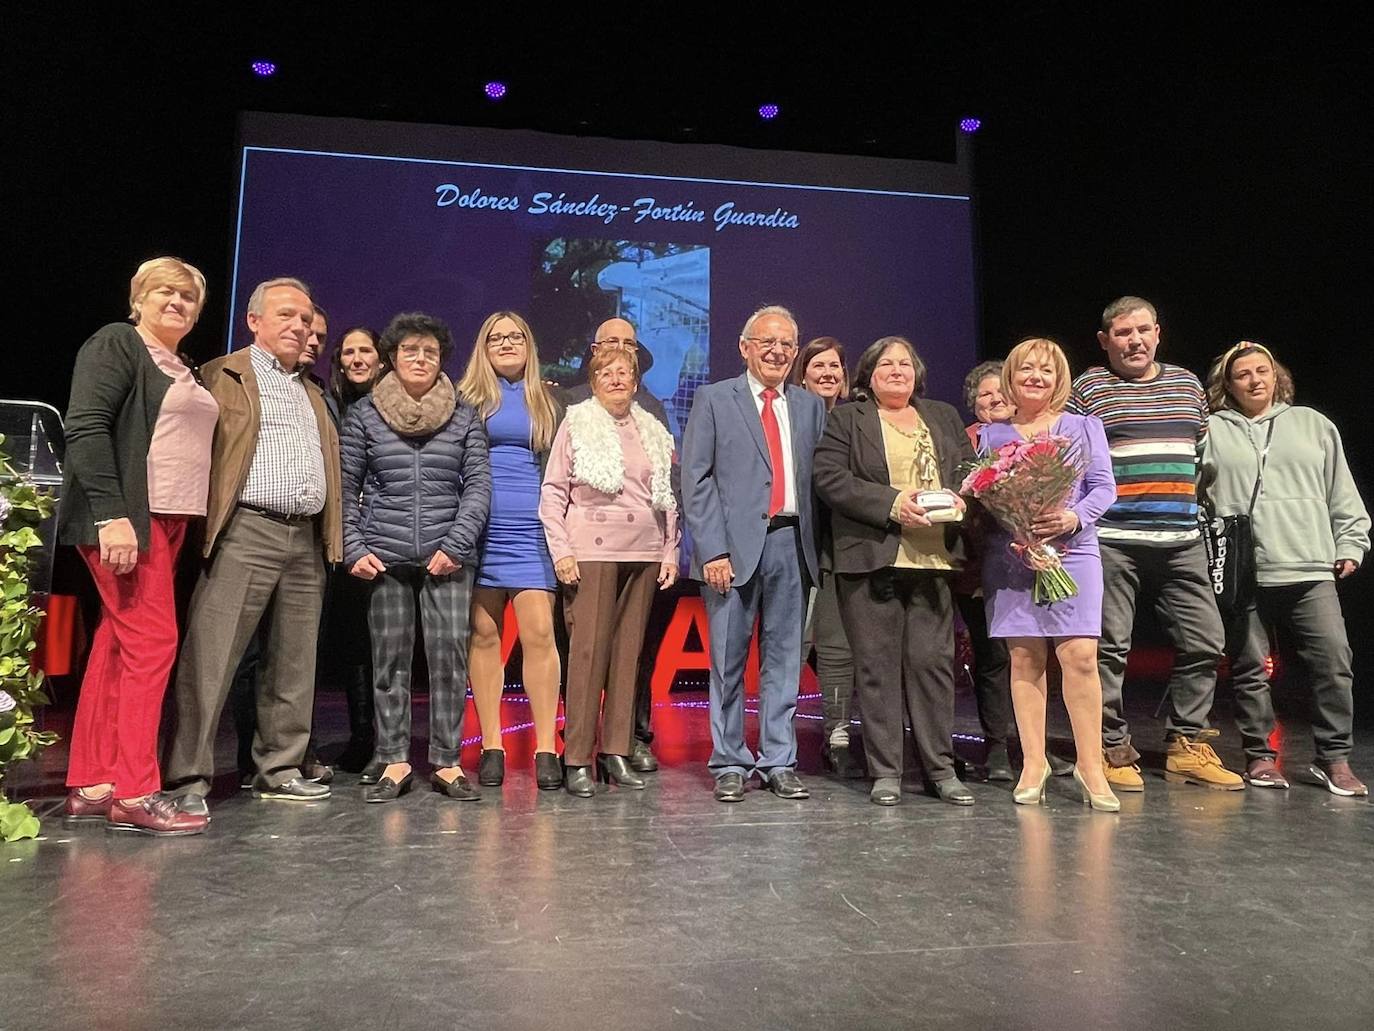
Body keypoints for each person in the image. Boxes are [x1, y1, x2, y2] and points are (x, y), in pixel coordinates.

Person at [164, 277, 342, 817]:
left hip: (305, 537)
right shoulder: (221, 375)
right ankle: (187, 776)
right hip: (246, 529)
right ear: (254, 321)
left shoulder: (312, 389)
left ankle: (280, 769)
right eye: (286, 315)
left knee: (293, 661)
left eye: (306, 319)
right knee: (211, 658)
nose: (299, 326)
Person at [58, 257, 217, 836]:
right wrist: (112, 516)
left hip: (168, 521)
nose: (176, 302)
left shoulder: (183, 365)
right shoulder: (118, 343)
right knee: (153, 644)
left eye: (188, 296)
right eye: (164, 291)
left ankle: (93, 781)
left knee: (119, 645)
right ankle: (135, 791)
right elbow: (86, 427)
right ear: (139, 299)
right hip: (129, 519)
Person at [1070, 296, 1243, 792]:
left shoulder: (1187, 385)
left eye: (1143, 330)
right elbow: (1070, 463)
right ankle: (1110, 747)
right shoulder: (1088, 389)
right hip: (1113, 540)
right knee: (1108, 648)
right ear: (1105, 341)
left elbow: (1203, 459)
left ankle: (1186, 745)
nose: (1135, 341)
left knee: (1206, 640)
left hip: (1181, 539)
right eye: (1123, 333)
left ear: (1158, 333)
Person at [1201, 341, 1370, 795]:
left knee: (1334, 662)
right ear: (1228, 385)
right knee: (1250, 667)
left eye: (1263, 370)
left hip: (1309, 565)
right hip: (1245, 570)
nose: (1255, 379)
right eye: (1243, 374)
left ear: (1276, 376)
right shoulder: (1212, 429)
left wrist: (1351, 542)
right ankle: (1259, 756)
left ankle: (1334, 758)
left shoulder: (1313, 424)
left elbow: (1340, 489)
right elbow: (1194, 493)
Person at [814, 337, 976, 805]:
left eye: (905, 363)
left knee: (932, 667)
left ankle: (939, 769)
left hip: (933, 560)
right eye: (886, 363)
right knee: (877, 668)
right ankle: (885, 770)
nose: (897, 370)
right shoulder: (848, 418)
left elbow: (970, 470)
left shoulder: (942, 416)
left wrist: (962, 496)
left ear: (917, 373)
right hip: (872, 558)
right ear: (869, 375)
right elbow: (829, 478)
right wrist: (892, 504)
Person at [341, 312, 492, 802]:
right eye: (410, 350)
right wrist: (354, 546)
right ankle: (394, 760)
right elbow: (344, 486)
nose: (421, 359)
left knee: (449, 660)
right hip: (384, 558)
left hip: (447, 558)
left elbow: (478, 486)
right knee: (389, 663)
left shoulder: (464, 414)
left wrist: (457, 545)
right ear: (392, 357)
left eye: (430, 351)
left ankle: (447, 762)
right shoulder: (365, 414)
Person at [682, 305, 825, 802]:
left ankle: (779, 759)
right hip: (731, 550)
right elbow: (696, 479)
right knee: (727, 659)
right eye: (767, 342)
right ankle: (728, 760)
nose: (777, 351)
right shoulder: (714, 398)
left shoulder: (810, 406)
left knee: (784, 660)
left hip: (793, 544)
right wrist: (712, 550)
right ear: (745, 348)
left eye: (786, 344)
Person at [980, 337, 1119, 811]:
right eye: (1026, 369)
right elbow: (989, 498)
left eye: (1046, 370)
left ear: (1059, 379)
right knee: (1024, 659)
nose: (1035, 377)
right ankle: (1034, 763)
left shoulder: (1083, 426)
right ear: (1011, 377)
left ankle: (1091, 765)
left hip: (1074, 551)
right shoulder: (993, 435)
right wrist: (1019, 531)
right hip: (1014, 556)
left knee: (1080, 657)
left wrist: (1073, 517)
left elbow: (1104, 488)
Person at [540, 341, 680, 796]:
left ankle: (615, 751)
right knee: (588, 653)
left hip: (644, 551)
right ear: (594, 382)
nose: (617, 379)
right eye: (606, 373)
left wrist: (670, 550)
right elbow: (553, 491)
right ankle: (577, 757)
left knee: (627, 655)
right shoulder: (576, 421)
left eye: (624, 373)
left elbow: (667, 496)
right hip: (592, 550)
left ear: (636, 383)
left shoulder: (653, 429)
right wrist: (561, 551)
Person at [458, 311, 564, 790]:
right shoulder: (465, 399)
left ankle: (546, 748)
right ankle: (492, 745)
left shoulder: (549, 400)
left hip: (533, 529)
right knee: (484, 634)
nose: (506, 343)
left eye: (515, 336)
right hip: (482, 529)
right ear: (483, 347)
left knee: (539, 633)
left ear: (528, 345)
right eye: (496, 338)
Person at [790, 337, 858, 774]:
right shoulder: (790, 419)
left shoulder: (856, 421)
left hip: (843, 549)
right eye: (818, 366)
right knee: (793, 644)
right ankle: (778, 736)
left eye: (835, 366)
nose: (828, 373)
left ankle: (838, 735)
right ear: (803, 375)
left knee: (837, 646)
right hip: (797, 548)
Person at [953, 360, 1020, 781]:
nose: (994, 400)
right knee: (994, 656)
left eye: (1001, 392)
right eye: (985, 395)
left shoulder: (1037, 436)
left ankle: (1033, 748)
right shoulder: (965, 443)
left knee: (1032, 658)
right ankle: (997, 749)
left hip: (1030, 564)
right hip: (978, 567)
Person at [327, 326, 387, 776]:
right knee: (354, 642)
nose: (357, 358)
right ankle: (362, 734)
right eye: (349, 352)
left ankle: (391, 737)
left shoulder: (396, 406)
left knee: (388, 640)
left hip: (389, 534)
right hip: (344, 537)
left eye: (366, 350)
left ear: (381, 360)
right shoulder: (330, 405)